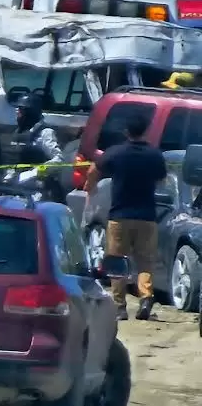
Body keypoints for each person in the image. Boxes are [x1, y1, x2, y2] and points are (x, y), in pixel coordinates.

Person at [84, 114, 167, 321]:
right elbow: (162, 179)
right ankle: (146, 298)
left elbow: (95, 168)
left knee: (117, 262)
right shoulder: (154, 155)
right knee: (145, 261)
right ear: (146, 130)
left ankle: (120, 307)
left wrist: (90, 187)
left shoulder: (116, 153)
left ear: (126, 132)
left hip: (120, 216)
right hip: (147, 216)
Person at [8, 92, 65, 202]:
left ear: (30, 112)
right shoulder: (19, 132)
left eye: (20, 110)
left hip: (38, 189)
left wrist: (35, 172)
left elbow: (59, 160)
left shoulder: (45, 133)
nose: (17, 112)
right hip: (17, 187)